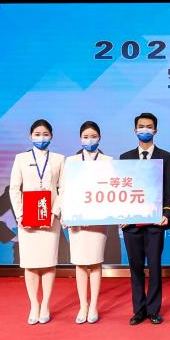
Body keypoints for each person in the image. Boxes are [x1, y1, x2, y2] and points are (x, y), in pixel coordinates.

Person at [120, 112, 170, 326]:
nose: (145, 129)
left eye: (149, 126)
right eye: (141, 126)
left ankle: (153, 310)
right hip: (131, 224)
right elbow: (121, 191)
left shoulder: (166, 157)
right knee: (135, 269)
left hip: (155, 223)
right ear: (135, 130)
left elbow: (169, 189)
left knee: (154, 267)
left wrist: (166, 214)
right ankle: (138, 310)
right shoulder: (125, 157)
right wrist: (120, 214)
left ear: (155, 130)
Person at [9, 119, 64, 325]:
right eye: (37, 134)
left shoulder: (59, 159)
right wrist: (20, 215)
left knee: (48, 263)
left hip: (50, 218)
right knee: (30, 264)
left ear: (51, 136)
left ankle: (46, 304)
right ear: (30, 136)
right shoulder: (21, 158)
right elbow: (14, 188)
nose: (41, 138)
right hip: (28, 218)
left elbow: (63, 189)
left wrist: (54, 212)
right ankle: (34, 304)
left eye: (45, 134)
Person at [56, 121, 110, 324]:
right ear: (80, 139)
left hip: (98, 219)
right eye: (86, 137)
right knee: (79, 263)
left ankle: (94, 305)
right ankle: (83, 306)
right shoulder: (71, 161)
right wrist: (65, 215)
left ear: (100, 138)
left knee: (95, 262)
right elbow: (64, 189)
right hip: (77, 220)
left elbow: (111, 191)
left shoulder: (108, 160)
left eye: (93, 136)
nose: (90, 140)